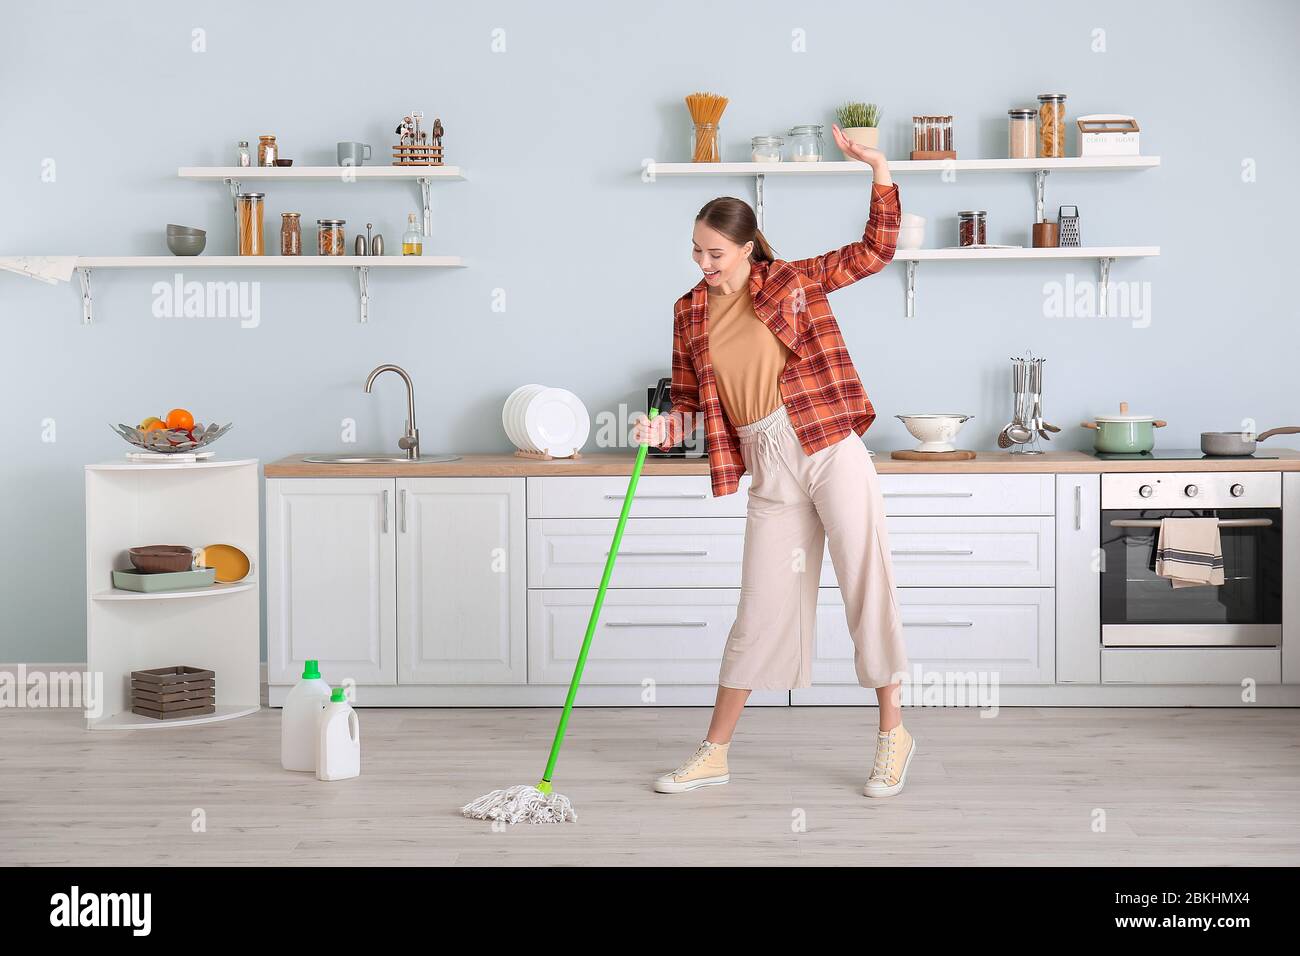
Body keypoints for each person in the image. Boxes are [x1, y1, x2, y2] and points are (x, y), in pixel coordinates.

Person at [632, 124, 914, 799]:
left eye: (717, 253)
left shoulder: (792, 281)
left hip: (826, 445)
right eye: (697, 252)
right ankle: (715, 751)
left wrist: (877, 167)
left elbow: (877, 251)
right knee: (757, 610)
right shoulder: (689, 311)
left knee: (864, 585)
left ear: (748, 246)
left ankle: (891, 735)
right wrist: (661, 426)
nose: (705, 264)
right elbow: (694, 404)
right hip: (767, 462)